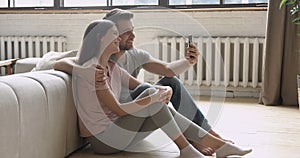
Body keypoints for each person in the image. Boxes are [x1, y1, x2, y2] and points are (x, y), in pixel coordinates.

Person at [54, 8, 231, 155]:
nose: (132, 35)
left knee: (170, 83)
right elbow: (62, 62)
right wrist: (83, 71)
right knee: (150, 91)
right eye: (123, 32)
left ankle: (209, 139)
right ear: (107, 33)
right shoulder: (97, 60)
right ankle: (205, 143)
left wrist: (188, 62)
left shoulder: (132, 57)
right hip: (118, 116)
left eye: (132, 29)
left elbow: (168, 70)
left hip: (129, 113)